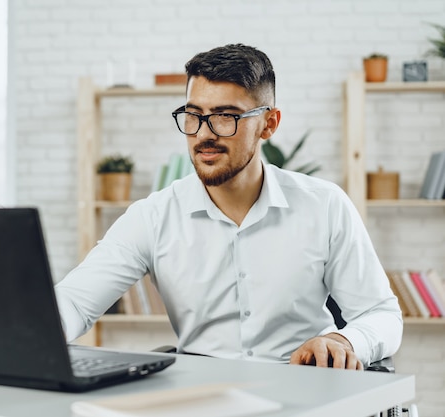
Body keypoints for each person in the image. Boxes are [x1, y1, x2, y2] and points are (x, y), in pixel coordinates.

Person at [55, 43, 402, 370]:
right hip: (202, 396)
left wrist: (344, 340)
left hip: (304, 385)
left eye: (225, 116)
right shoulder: (153, 216)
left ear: (269, 123)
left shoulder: (324, 205)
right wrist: (29, 331)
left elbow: (381, 314)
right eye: (193, 115)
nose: (204, 133)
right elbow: (73, 302)